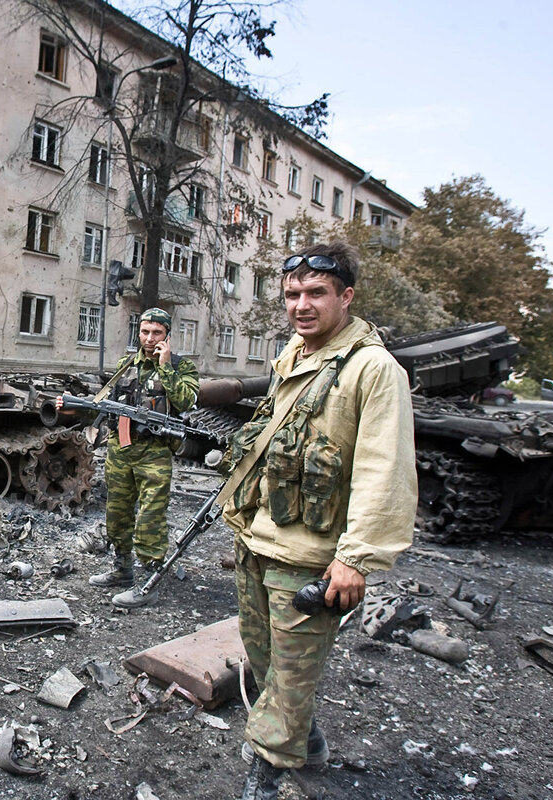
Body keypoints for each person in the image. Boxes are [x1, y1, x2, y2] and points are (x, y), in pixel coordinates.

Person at [217, 243, 417, 800]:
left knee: (292, 676)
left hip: (311, 559)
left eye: (316, 294)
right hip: (260, 540)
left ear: (346, 297)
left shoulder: (375, 369)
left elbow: (386, 468)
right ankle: (306, 741)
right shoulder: (296, 353)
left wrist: (356, 559)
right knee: (264, 663)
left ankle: (269, 773)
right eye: (292, 295)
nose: (301, 305)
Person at [59, 307, 198, 608]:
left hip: (155, 454)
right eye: (145, 332)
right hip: (121, 451)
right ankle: (122, 570)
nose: (149, 339)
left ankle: (149, 581)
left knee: (150, 518)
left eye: (157, 333)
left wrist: (165, 367)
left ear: (166, 336)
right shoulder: (126, 365)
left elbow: (186, 400)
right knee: (117, 513)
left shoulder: (180, 367)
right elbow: (105, 404)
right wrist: (73, 408)